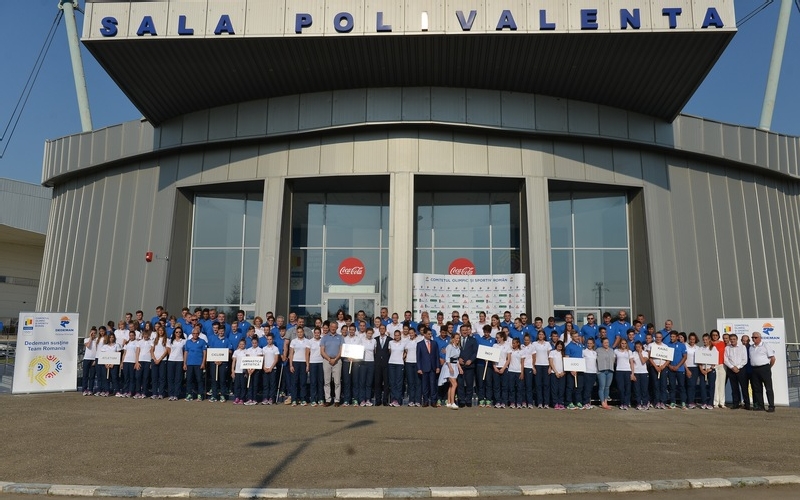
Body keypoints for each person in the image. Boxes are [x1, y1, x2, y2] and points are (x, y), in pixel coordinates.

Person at [749, 331, 776, 412]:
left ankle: (771, 406)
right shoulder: (751, 347)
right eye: (752, 337)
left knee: (768, 388)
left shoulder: (765, 345)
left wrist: (768, 367)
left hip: (764, 368)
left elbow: (773, 358)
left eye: (756, 337)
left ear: (760, 338)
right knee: (757, 388)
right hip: (754, 369)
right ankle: (760, 406)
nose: (754, 339)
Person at [320, 320, 344, 407]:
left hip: (337, 361)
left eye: (335, 327)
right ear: (329, 327)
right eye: (332, 327)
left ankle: (337, 400)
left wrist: (335, 359)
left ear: (337, 328)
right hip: (327, 361)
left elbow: (341, 350)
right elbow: (322, 351)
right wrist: (329, 359)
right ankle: (328, 399)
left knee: (337, 381)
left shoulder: (340, 337)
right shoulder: (324, 338)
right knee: (327, 381)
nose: (333, 328)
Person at [724, 334, 750, 410]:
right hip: (731, 369)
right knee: (734, 387)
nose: (732, 340)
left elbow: (745, 359)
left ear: (737, 339)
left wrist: (737, 367)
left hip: (741, 369)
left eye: (734, 339)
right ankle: (736, 403)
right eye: (731, 339)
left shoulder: (742, 347)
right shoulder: (727, 348)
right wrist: (732, 367)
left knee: (744, 387)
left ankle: (747, 404)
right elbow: (725, 359)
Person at [417, 327, 441, 407]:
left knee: (433, 385)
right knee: (425, 385)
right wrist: (419, 368)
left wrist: (438, 367)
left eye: (431, 334)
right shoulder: (420, 344)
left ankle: (433, 401)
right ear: (424, 334)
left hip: (433, 367)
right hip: (424, 367)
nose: (430, 335)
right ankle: (426, 401)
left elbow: (437, 356)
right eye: (428, 334)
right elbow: (418, 357)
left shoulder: (434, 343)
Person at [439, 334, 463, 409]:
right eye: (456, 338)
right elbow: (447, 358)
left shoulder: (458, 348)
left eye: (458, 338)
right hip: (449, 367)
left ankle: (449, 402)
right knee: (454, 384)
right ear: (452, 339)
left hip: (455, 366)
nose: (458, 340)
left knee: (451, 385)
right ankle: (453, 402)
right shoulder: (449, 346)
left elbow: (457, 359)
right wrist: (450, 367)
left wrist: (460, 368)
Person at [457, 324, 478, 408]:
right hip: (460, 366)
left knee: (469, 384)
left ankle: (468, 400)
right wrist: (458, 358)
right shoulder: (457, 340)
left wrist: (471, 360)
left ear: (468, 331)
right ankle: (461, 400)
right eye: (463, 330)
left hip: (470, 365)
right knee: (460, 384)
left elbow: (475, 352)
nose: (465, 332)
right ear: (460, 331)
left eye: (466, 330)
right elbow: (453, 350)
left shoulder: (473, 340)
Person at [184, 328, 208, 402]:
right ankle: (189, 394)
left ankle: (200, 394)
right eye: (194, 333)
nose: (195, 335)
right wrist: (184, 363)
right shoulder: (188, 342)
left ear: (199, 334)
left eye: (197, 333)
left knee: (199, 380)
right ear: (192, 334)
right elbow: (186, 352)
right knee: (189, 380)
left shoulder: (202, 341)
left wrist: (203, 363)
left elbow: (204, 353)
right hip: (189, 363)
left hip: (198, 364)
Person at [289, 327, 311, 406]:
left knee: (303, 382)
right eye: (298, 332)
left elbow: (307, 354)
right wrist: (291, 365)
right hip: (295, 362)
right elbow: (291, 354)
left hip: (303, 363)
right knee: (294, 382)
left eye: (301, 332)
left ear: (303, 332)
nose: (300, 333)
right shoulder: (293, 341)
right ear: (296, 333)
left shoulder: (307, 341)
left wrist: (307, 365)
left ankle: (303, 399)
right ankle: (294, 399)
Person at [475, 325, 496, 407]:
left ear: (490, 332)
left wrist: (490, 358)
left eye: (488, 332)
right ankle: (481, 399)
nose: (486, 334)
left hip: (489, 365)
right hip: (480, 364)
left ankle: (488, 399)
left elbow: (495, 351)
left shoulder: (493, 340)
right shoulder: (479, 339)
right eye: (485, 332)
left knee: (488, 382)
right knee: (481, 382)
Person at [666, 331, 688, 409]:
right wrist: (669, 366)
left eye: (673, 337)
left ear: (677, 337)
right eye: (671, 337)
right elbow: (665, 357)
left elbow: (685, 357)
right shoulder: (667, 345)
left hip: (680, 369)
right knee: (672, 386)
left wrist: (677, 366)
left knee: (681, 386)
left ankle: (683, 402)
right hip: (670, 369)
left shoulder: (682, 345)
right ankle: (672, 402)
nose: (672, 338)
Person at [648, 332, 670, 409]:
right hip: (654, 367)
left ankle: (663, 402)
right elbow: (649, 357)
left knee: (663, 385)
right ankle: (656, 401)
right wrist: (655, 366)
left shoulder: (665, 346)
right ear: (655, 337)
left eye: (660, 337)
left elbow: (668, 359)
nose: (658, 338)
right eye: (657, 337)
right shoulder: (651, 345)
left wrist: (663, 366)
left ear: (662, 338)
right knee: (655, 385)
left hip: (663, 367)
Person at [563, 331, 584, 410]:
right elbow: (567, 357)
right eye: (575, 336)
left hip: (580, 369)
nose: (577, 338)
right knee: (570, 387)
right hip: (571, 370)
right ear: (571, 337)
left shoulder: (581, 345)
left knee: (579, 386)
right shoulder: (568, 346)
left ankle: (578, 401)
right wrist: (571, 369)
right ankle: (568, 402)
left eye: (577, 336)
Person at [697, 333, 718, 410]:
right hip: (703, 370)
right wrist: (701, 369)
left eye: (706, 339)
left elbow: (715, 360)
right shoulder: (700, 349)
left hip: (711, 370)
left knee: (711, 386)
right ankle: (704, 402)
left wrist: (710, 369)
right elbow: (698, 360)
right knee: (702, 386)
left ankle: (710, 403)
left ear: (709, 340)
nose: (705, 341)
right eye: (704, 340)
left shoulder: (713, 348)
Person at [491, 331, 511, 408]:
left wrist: (503, 368)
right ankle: (497, 401)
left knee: (504, 386)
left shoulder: (507, 346)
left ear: (502, 338)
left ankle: (504, 402)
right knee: (496, 386)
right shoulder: (494, 345)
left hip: (504, 367)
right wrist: (494, 367)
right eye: (496, 337)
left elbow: (508, 359)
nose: (496, 339)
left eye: (498, 337)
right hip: (496, 367)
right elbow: (492, 358)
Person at [532, 330, 551, 408]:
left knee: (546, 385)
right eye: (539, 334)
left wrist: (550, 367)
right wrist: (533, 367)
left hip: (546, 365)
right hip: (537, 365)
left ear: (544, 336)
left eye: (542, 334)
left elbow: (550, 356)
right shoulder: (534, 344)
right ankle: (539, 402)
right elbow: (533, 356)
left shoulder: (547, 344)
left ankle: (546, 403)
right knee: (538, 385)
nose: (540, 336)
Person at [373, 325, 392, 406]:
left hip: (386, 363)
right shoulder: (375, 339)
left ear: (385, 330)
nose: (382, 330)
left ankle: (385, 400)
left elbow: (390, 351)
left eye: (383, 329)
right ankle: (378, 400)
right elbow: (374, 351)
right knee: (377, 382)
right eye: (380, 329)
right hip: (377, 363)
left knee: (386, 382)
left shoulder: (390, 340)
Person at [387, 330, 406, 406]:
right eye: (395, 335)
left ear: (400, 335)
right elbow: (390, 352)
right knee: (392, 382)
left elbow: (406, 352)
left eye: (398, 335)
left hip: (400, 364)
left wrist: (402, 357)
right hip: (391, 363)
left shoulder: (403, 343)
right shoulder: (390, 342)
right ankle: (393, 399)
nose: (397, 337)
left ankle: (398, 400)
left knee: (399, 382)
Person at [98, 332, 121, 397]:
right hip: (106, 365)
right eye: (110, 337)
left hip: (114, 365)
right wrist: (106, 364)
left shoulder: (117, 345)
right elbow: (103, 355)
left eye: (112, 337)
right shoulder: (105, 346)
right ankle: (107, 391)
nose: (111, 338)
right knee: (106, 378)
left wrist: (113, 363)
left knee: (114, 377)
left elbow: (118, 355)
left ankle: (117, 391)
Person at [358, 328, 376, 406]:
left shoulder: (374, 341)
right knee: (362, 382)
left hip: (371, 362)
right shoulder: (361, 340)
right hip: (363, 362)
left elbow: (375, 351)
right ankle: (362, 399)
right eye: (368, 333)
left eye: (371, 333)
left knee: (369, 382)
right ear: (366, 333)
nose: (369, 335)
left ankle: (368, 399)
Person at [404, 328, 421, 406]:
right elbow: (405, 351)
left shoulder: (418, 341)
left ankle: (417, 400)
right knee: (410, 383)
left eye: (412, 333)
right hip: (408, 363)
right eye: (410, 333)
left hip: (417, 363)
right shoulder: (406, 341)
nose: (411, 334)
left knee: (417, 382)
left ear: (415, 333)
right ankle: (411, 400)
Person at [150, 325, 169, 399]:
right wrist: (154, 359)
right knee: (154, 377)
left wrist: (160, 359)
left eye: (162, 330)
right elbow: (152, 350)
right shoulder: (154, 340)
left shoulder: (167, 340)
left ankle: (161, 393)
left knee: (162, 377)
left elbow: (166, 351)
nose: (160, 332)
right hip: (154, 360)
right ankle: (154, 393)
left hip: (162, 360)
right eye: (159, 330)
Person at [261, 333, 280, 405]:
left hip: (273, 369)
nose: (269, 341)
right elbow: (262, 359)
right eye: (268, 339)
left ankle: (272, 398)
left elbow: (276, 359)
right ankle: (265, 398)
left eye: (270, 339)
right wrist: (263, 367)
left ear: (273, 340)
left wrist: (271, 368)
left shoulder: (275, 348)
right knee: (265, 384)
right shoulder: (264, 348)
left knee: (272, 384)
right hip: (265, 369)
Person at [596, 337, 614, 410]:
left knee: (607, 387)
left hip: (610, 370)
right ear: (602, 343)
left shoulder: (611, 350)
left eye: (607, 342)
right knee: (602, 387)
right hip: (601, 371)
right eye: (605, 342)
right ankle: (602, 402)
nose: (606, 344)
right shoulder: (598, 350)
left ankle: (606, 401)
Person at [710, 329, 727, 408]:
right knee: (715, 384)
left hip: (722, 365)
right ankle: (715, 402)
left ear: (718, 336)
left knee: (722, 383)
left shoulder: (723, 343)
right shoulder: (709, 343)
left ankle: (722, 402)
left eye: (716, 335)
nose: (715, 336)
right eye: (713, 335)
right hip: (713, 365)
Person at [308, 327, 325, 406]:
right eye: (316, 333)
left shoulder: (323, 340)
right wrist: (307, 364)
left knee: (321, 381)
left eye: (318, 333)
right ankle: (313, 399)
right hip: (313, 363)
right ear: (313, 333)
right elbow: (307, 353)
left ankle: (320, 398)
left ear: (320, 333)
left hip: (321, 362)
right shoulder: (310, 341)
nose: (317, 334)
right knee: (313, 382)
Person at [121, 330, 140, 398]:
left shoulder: (137, 343)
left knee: (132, 377)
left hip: (132, 362)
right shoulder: (127, 343)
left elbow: (137, 352)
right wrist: (122, 362)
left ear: (135, 336)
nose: (131, 337)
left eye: (132, 335)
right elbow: (124, 353)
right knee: (126, 377)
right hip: (126, 361)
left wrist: (136, 362)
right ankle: (125, 391)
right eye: (130, 335)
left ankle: (131, 391)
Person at [631, 341, 649, 410]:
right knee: (637, 389)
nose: (637, 348)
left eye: (639, 346)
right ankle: (638, 403)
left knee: (644, 389)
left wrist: (640, 353)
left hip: (644, 373)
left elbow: (643, 361)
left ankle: (645, 403)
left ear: (641, 346)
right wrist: (632, 374)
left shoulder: (645, 353)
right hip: (636, 373)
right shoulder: (633, 353)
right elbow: (632, 364)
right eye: (636, 347)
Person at [614, 339, 632, 410]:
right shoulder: (616, 351)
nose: (623, 345)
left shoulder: (629, 352)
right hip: (619, 371)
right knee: (620, 388)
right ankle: (622, 402)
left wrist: (632, 373)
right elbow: (614, 361)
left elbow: (631, 363)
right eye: (622, 343)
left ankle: (626, 403)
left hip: (627, 371)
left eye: (625, 343)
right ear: (620, 344)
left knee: (627, 388)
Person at [507, 337, 525, 408]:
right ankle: (512, 402)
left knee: (519, 388)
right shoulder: (510, 351)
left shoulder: (521, 352)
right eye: (512, 343)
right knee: (511, 388)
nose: (513, 344)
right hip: (511, 371)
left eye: (514, 343)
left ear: (518, 343)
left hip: (518, 371)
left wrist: (522, 372)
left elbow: (522, 363)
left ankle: (519, 403)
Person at [135, 329, 153, 398]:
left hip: (148, 361)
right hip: (140, 361)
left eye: (147, 335)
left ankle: (144, 392)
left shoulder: (151, 342)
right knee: (138, 376)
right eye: (144, 334)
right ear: (143, 335)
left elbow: (152, 351)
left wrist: (151, 362)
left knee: (146, 377)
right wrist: (137, 362)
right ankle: (138, 392)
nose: (146, 336)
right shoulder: (139, 342)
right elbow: (137, 352)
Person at [548, 340, 566, 410]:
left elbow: (566, 363)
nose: (559, 347)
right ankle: (555, 403)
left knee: (561, 389)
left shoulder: (564, 353)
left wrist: (563, 372)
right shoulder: (552, 352)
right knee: (554, 389)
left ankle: (561, 402)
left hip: (562, 373)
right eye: (558, 346)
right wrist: (556, 372)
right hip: (554, 373)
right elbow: (551, 362)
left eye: (561, 346)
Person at [684, 333, 699, 408]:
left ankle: (691, 401)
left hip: (695, 368)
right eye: (691, 339)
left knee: (693, 385)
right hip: (687, 367)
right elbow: (683, 358)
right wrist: (687, 369)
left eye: (693, 339)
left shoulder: (698, 348)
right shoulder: (685, 346)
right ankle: (689, 401)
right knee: (689, 385)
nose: (692, 340)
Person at [231, 339, 247, 404]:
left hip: (243, 371)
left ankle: (242, 398)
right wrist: (232, 370)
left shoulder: (247, 351)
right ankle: (237, 397)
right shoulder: (236, 352)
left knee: (243, 386)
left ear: (245, 345)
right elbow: (234, 361)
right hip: (237, 371)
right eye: (240, 344)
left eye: (243, 344)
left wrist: (246, 372)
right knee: (237, 386)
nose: (241, 345)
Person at [582, 338, 598, 409]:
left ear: (593, 344)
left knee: (590, 388)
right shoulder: (584, 351)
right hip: (586, 372)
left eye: (591, 343)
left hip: (593, 372)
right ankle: (585, 402)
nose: (589, 345)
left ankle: (588, 402)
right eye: (588, 343)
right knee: (587, 388)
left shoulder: (595, 352)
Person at [82, 327, 98, 396]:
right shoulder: (86, 339)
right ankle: (84, 389)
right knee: (85, 375)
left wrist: (95, 360)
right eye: (92, 333)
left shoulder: (97, 340)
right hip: (86, 359)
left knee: (92, 376)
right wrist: (90, 338)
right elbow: (88, 346)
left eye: (94, 333)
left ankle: (91, 389)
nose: (93, 334)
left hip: (93, 359)